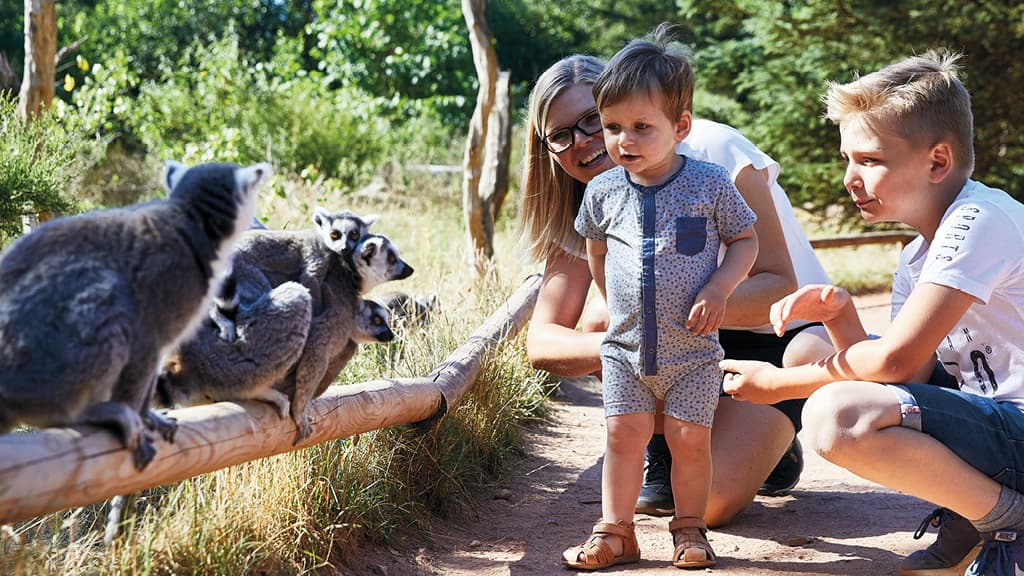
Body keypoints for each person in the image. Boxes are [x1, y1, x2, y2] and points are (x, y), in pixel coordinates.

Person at [721, 50, 1024, 576]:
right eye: (846, 159)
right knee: (817, 347)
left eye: (870, 160)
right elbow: (907, 374)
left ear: (937, 162)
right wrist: (839, 316)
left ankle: (1003, 520)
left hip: (1015, 423)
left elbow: (893, 362)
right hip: (1000, 421)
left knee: (835, 416)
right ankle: (981, 513)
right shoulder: (916, 255)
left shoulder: (979, 220)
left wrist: (778, 385)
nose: (850, 178)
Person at [518, 53, 830, 529]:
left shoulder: (713, 154)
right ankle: (662, 445)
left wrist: (663, 316)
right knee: (604, 322)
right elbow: (542, 342)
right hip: (668, 351)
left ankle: (772, 438)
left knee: (709, 506)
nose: (585, 142)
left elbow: (778, 284)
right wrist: (629, 337)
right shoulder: (595, 200)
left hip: (772, 336)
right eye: (561, 135)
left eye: (589, 121)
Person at [560, 26, 759, 570]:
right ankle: (616, 531)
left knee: (689, 439)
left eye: (642, 127)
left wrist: (720, 287)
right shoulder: (602, 191)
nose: (624, 140)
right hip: (625, 350)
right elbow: (597, 250)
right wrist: (610, 298)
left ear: (681, 127)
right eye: (613, 127)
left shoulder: (710, 183)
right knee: (622, 436)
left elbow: (746, 239)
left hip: (692, 351)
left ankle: (690, 530)